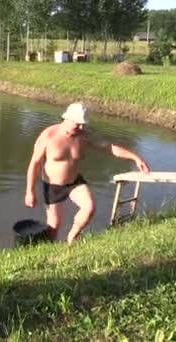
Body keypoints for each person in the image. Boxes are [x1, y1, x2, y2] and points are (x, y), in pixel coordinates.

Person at [24, 102, 150, 244]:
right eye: (78, 123)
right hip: (53, 186)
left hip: (74, 182)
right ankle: (47, 250)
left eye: (83, 124)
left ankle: (72, 238)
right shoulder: (48, 136)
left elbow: (110, 148)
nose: (81, 127)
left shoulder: (84, 136)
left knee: (89, 207)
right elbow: (34, 163)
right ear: (67, 118)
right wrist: (30, 191)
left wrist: (136, 158)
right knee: (54, 226)